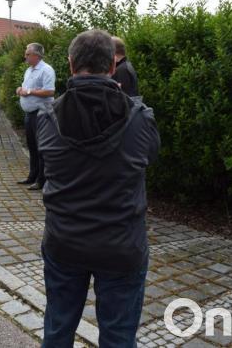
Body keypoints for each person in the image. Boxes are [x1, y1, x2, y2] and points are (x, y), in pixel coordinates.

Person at [37, 29, 160, 348]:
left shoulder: (47, 119)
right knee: (119, 338)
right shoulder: (140, 118)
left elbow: (49, 163)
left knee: (57, 331)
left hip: (64, 242)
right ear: (113, 66)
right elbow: (150, 157)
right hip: (121, 246)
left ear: (70, 64)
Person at [15, 43, 55, 190]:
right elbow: (26, 89)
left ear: (36, 55)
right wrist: (20, 89)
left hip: (41, 114)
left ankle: (41, 181)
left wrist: (29, 91)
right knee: (32, 146)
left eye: (27, 54)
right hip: (29, 114)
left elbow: (50, 91)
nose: (25, 56)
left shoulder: (46, 70)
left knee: (41, 148)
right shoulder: (29, 70)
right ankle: (32, 176)